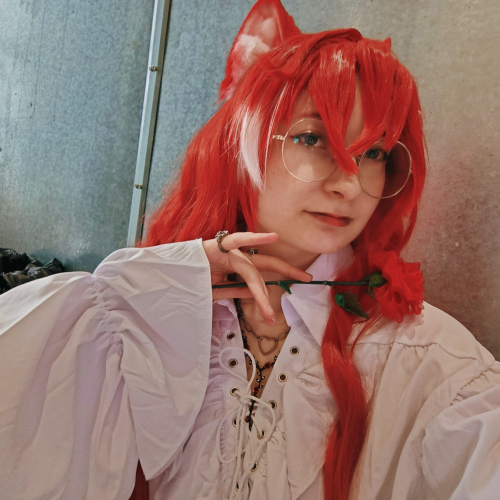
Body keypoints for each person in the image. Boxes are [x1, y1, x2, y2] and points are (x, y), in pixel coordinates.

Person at [1, 1, 500, 499]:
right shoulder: (131, 316)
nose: (349, 183)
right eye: (312, 138)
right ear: (242, 140)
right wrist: (143, 289)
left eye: (374, 152)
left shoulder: (428, 361)